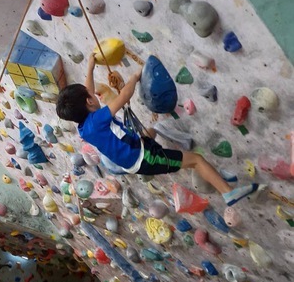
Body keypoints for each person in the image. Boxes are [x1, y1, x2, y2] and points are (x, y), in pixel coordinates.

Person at [56, 54, 259, 206]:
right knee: (196, 161)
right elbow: (124, 97)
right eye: (91, 96)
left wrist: (90, 68)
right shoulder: (97, 119)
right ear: (89, 102)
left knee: (153, 131)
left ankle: (215, 175)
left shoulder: (84, 127)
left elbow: (88, 93)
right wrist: (135, 77)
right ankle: (227, 192)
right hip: (145, 159)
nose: (94, 95)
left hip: (134, 152)